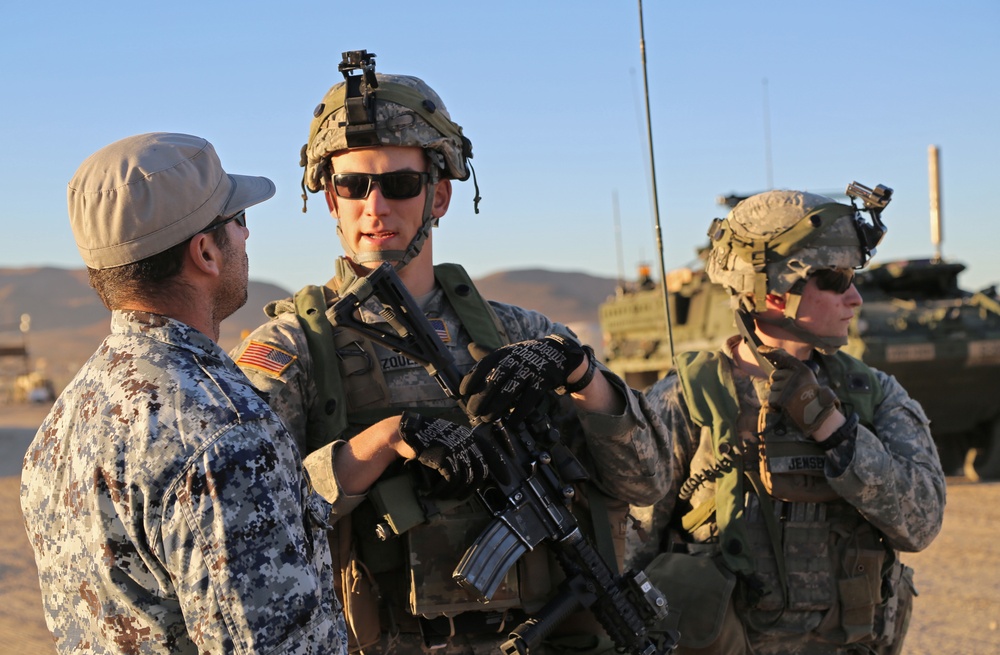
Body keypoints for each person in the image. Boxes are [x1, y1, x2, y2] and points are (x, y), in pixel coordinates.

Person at [231, 50, 671, 654]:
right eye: (353, 185)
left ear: (438, 197)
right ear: (330, 200)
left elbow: (648, 480)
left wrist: (580, 373)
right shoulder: (293, 351)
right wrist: (382, 442)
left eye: (401, 184)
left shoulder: (520, 333)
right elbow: (247, 522)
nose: (375, 207)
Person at [20, 132, 348, 655]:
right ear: (205, 252)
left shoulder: (60, 425)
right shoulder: (224, 434)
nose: (245, 235)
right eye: (237, 220)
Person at [627, 188, 947, 655]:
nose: (855, 298)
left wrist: (838, 433)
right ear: (775, 294)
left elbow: (921, 524)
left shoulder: (871, 394)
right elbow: (629, 555)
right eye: (836, 280)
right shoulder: (688, 398)